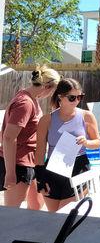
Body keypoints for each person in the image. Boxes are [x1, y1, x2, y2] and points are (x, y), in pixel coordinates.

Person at [34, 78, 100, 212]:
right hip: (53, 170)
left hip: (78, 169)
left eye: (80, 97)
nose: (77, 101)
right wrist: (40, 179)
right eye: (72, 98)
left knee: (65, 216)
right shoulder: (46, 120)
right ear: (60, 97)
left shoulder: (87, 116)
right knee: (54, 218)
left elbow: (98, 143)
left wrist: (87, 142)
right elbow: (40, 151)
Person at [0, 67, 60, 209]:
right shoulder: (25, 103)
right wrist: (10, 173)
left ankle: (28, 232)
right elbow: (8, 137)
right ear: (46, 86)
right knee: (13, 212)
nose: (51, 95)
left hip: (32, 161)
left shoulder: (30, 98)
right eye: (52, 91)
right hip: (18, 163)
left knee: (36, 206)